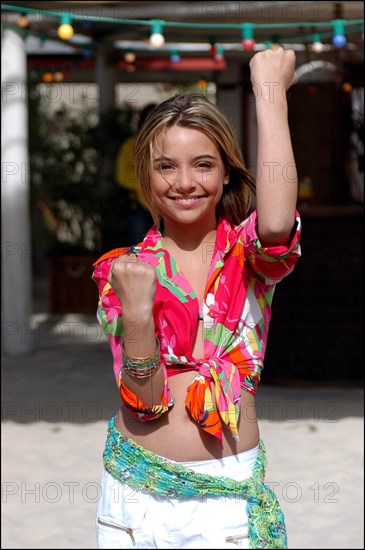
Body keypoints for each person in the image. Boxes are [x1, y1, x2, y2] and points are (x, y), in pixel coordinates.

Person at [92, 46, 301, 549]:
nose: (185, 183)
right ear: (145, 177)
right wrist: (138, 312)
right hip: (135, 495)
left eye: (203, 165)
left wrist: (270, 92)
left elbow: (275, 224)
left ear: (226, 172)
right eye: (166, 167)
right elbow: (144, 403)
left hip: (226, 496)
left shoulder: (248, 257)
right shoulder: (121, 270)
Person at [115, 103, 156, 243]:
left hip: (168, 206)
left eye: (156, 119)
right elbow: (123, 177)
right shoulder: (130, 145)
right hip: (140, 206)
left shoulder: (170, 143)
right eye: (149, 119)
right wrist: (151, 183)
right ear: (142, 121)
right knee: (138, 251)